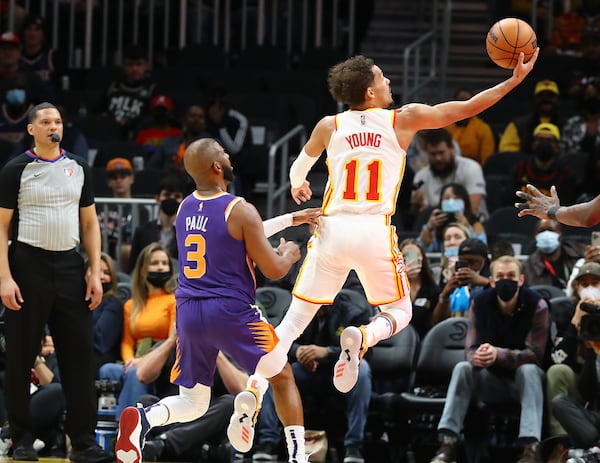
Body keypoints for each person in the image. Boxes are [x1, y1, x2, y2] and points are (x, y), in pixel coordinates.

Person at [280, 51, 538, 398]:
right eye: (382, 77)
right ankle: (365, 337)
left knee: (294, 321)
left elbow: (298, 169)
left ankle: (253, 386)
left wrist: (298, 185)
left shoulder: (329, 126)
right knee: (399, 310)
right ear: (370, 92)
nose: (388, 81)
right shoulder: (403, 118)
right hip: (372, 230)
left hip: (333, 229)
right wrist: (513, 81)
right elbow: (467, 109)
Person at [114, 138, 319, 463]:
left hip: (190, 313)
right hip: (230, 312)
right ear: (216, 166)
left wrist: (291, 219)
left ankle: (144, 420)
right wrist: (289, 253)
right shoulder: (240, 208)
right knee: (282, 376)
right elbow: (273, 269)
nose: (228, 155)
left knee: (193, 402)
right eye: (223, 152)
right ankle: (297, 457)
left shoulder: (185, 208)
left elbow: (236, 233)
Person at [0, 102, 114, 462]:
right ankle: (20, 439)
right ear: (31, 129)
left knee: (79, 358)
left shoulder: (79, 168)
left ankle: (83, 443)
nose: (54, 126)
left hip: (69, 265)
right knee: (20, 357)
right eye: (46, 121)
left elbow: (91, 224)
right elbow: (1, 226)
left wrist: (94, 271)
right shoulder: (15, 169)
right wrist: (4, 277)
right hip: (26, 264)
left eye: (58, 121)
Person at [430, 255, 549, 463]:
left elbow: (535, 356)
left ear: (521, 280)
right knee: (462, 368)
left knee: (528, 370)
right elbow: (469, 351)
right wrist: (478, 356)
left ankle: (531, 448)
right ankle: (447, 444)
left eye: (511, 276)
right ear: (492, 281)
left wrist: (498, 354)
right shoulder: (479, 303)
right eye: (500, 276)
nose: (506, 280)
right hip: (491, 382)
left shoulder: (537, 305)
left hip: (524, 386)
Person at [252, 290, 373, 463]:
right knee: (275, 371)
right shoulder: (296, 311)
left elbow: (367, 351)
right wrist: (298, 351)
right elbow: (277, 341)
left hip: (338, 372)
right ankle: (267, 443)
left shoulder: (352, 313)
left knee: (363, 371)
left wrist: (326, 352)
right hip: (307, 372)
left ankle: (353, 446)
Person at [98, 242, 177, 417]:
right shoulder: (131, 305)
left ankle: (125, 430)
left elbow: (173, 338)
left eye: (164, 264)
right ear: (142, 269)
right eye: (155, 263)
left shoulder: (174, 300)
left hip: (162, 358)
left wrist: (140, 362)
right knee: (107, 370)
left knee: (135, 373)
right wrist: (129, 360)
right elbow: (127, 341)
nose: (160, 268)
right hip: (136, 358)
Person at [545, 262, 600, 440]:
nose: (590, 288)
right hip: (581, 383)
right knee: (557, 371)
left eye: (595, 283)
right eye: (585, 284)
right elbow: (557, 359)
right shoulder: (566, 312)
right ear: (577, 288)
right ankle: (560, 442)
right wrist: (575, 324)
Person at [411, 128, 488, 219]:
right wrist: (416, 205)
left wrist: (435, 209)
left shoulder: (471, 168)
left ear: (452, 149)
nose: (438, 158)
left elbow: (472, 208)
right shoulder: (421, 177)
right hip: (435, 227)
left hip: (472, 224)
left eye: (441, 153)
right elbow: (421, 214)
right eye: (433, 154)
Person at [95, 44, 158, 141]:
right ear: (123, 65)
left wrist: (131, 122)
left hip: (137, 135)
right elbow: (99, 111)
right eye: (130, 65)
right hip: (110, 134)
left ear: (146, 65)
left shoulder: (152, 89)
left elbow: (153, 119)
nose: (134, 69)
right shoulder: (112, 87)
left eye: (139, 64)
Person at [509, 122, 580, 206]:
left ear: (557, 146)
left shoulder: (566, 172)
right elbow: (508, 200)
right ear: (533, 144)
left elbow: (567, 205)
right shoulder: (521, 168)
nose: (544, 143)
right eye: (540, 139)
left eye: (549, 140)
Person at [97, 157, 149, 270]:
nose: (119, 181)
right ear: (108, 182)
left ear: (132, 178)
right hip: (101, 251)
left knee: (126, 250)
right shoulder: (99, 206)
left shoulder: (141, 209)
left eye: (123, 177)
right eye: (114, 178)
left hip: (129, 257)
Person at [127, 175, 186, 273]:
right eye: (167, 195)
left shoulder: (188, 231)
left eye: (177, 196)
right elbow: (133, 267)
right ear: (158, 199)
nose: (172, 199)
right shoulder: (142, 231)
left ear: (183, 200)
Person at [432, 237, 491, 325]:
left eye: (474, 262)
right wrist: (444, 295)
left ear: (484, 262)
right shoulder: (453, 284)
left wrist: (484, 282)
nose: (469, 267)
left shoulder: (493, 282)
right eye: (465, 262)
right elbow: (436, 323)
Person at [418, 182, 487, 253]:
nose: (451, 202)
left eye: (456, 198)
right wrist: (429, 228)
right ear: (441, 202)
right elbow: (419, 250)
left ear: (464, 202)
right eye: (447, 198)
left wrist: (468, 227)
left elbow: (483, 250)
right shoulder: (435, 226)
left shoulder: (475, 225)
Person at [498, 79, 564, 153]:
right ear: (535, 99)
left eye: (550, 96)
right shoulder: (518, 125)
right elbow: (507, 153)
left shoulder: (568, 126)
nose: (546, 100)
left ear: (558, 99)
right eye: (542, 96)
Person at [522, 219, 585, 289]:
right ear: (535, 236)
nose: (546, 235)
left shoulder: (579, 256)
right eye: (541, 231)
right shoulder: (527, 267)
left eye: (551, 230)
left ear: (560, 234)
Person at [399, 238, 441, 341]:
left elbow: (436, 321)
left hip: (425, 340)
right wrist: (402, 278)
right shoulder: (394, 286)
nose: (412, 259)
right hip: (398, 339)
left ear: (423, 259)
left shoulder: (431, 288)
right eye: (406, 256)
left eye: (416, 255)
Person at [90, 252, 124, 376]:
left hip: (96, 362)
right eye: (97, 271)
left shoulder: (113, 305)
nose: (102, 277)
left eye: (107, 273)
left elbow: (99, 341)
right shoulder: (72, 303)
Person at [444, 88, 496, 166]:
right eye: (460, 101)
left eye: (467, 101)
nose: (464, 105)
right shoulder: (444, 126)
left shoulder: (483, 128)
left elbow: (487, 159)